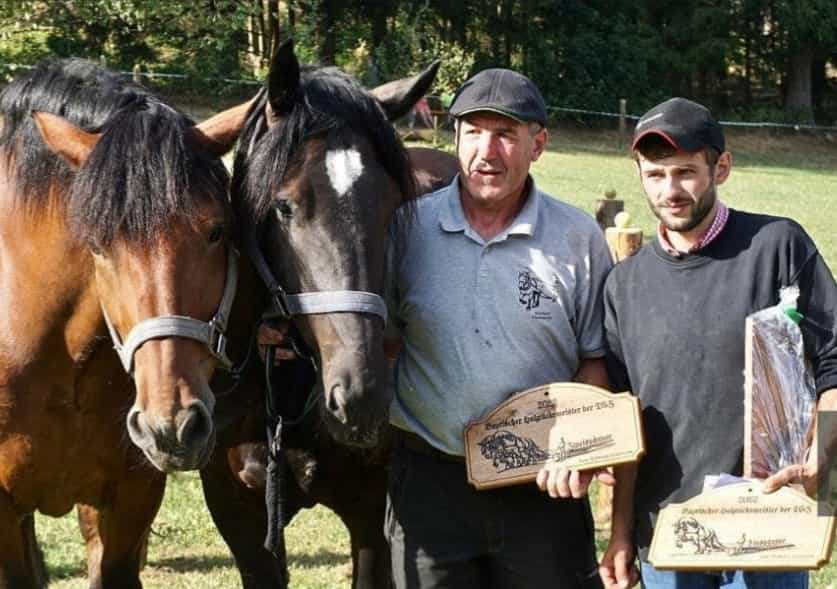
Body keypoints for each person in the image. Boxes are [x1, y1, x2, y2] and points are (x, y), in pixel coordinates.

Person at [383, 68, 614, 588]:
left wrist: (577, 447)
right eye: (473, 132)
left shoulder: (577, 238)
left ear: (539, 145)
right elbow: (382, 342)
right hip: (430, 484)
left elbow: (594, 359)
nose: (487, 152)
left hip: (542, 489)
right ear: (455, 137)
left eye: (506, 134)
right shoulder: (408, 228)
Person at [599, 97, 837, 589]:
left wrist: (825, 453)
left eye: (685, 172)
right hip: (668, 535)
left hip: (769, 526)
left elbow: (835, 363)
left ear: (721, 168)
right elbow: (624, 423)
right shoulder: (624, 285)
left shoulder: (778, 246)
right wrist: (620, 533)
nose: (670, 190)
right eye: (655, 175)